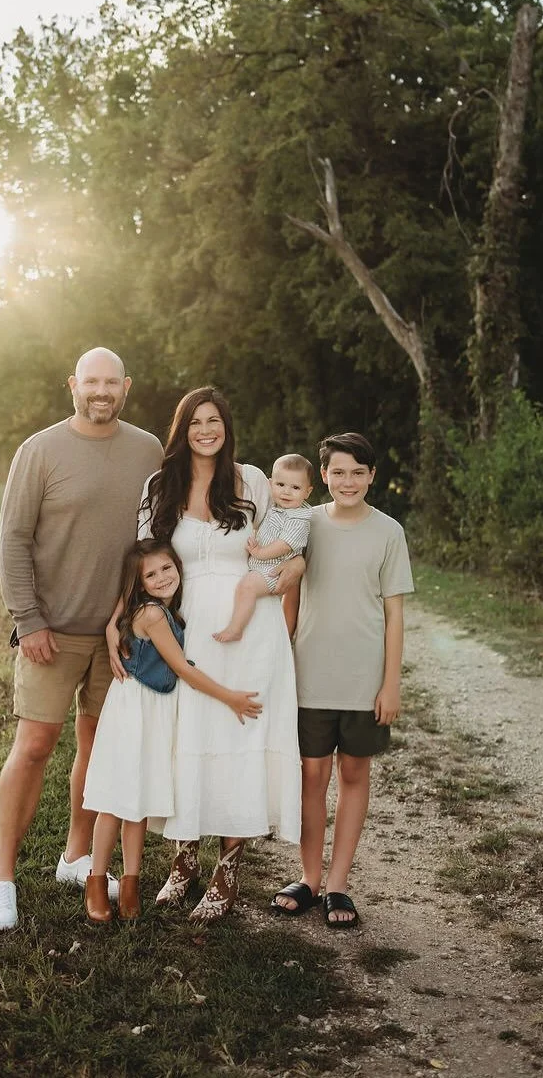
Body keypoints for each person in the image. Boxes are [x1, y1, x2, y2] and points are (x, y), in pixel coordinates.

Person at [0, 348, 163, 932]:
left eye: (112, 381)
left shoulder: (148, 450)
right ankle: (2, 878)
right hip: (51, 633)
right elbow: (13, 539)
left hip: (119, 635)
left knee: (97, 750)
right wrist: (28, 619)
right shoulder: (39, 451)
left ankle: (75, 855)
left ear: (126, 386)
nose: (101, 390)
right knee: (34, 746)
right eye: (92, 381)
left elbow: (154, 539)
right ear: (73, 385)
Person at [113, 386, 304, 923]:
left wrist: (295, 572)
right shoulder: (160, 485)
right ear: (182, 427)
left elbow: (289, 546)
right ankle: (183, 861)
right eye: (196, 421)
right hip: (185, 624)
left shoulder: (252, 481)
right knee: (186, 737)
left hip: (251, 628)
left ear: (227, 426)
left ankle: (228, 871)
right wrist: (117, 621)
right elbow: (141, 564)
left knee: (240, 737)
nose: (205, 430)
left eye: (214, 419)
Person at [272, 432, 414, 929]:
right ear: (322, 476)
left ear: (372, 476)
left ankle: (338, 884)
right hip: (311, 677)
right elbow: (288, 594)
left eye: (358, 472)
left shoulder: (388, 532)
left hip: (362, 680)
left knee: (354, 776)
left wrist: (390, 684)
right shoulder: (305, 524)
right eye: (338, 472)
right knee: (312, 776)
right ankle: (309, 879)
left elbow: (394, 616)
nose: (348, 481)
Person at [81, 539, 263, 923]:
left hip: (152, 709)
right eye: (151, 574)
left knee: (139, 802)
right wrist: (230, 697)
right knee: (116, 801)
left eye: (167, 568)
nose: (162, 577)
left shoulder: (161, 610)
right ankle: (96, 882)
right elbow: (183, 669)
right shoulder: (152, 615)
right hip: (136, 711)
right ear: (139, 583)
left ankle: (130, 883)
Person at [212, 453, 315, 645]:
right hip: (261, 566)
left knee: (247, 587)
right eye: (281, 485)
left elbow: (284, 545)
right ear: (270, 483)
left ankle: (236, 629)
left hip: (273, 569)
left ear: (307, 492)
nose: (286, 492)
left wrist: (259, 552)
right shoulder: (275, 508)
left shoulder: (298, 518)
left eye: (295, 487)